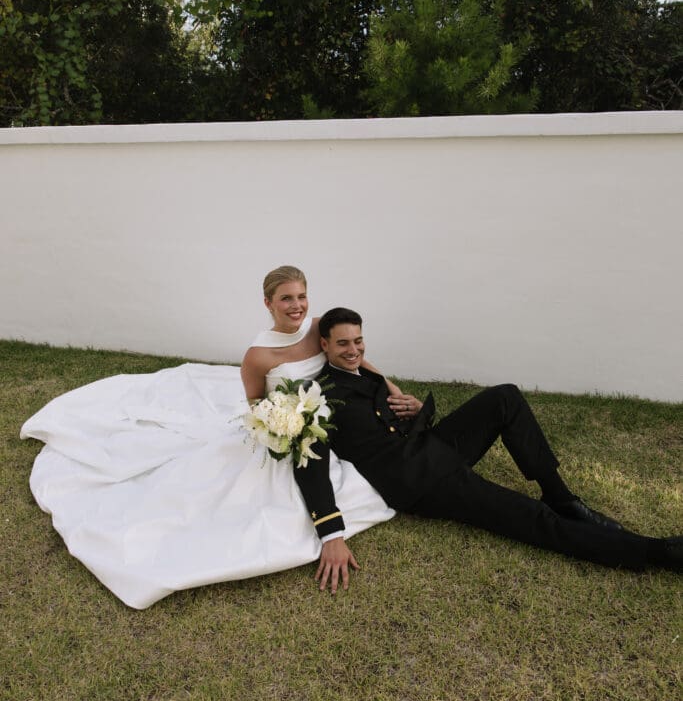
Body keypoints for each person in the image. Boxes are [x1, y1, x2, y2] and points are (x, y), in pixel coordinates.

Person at [19, 268, 394, 609]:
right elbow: (254, 404)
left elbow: (356, 360)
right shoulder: (258, 356)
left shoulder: (320, 329)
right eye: (285, 298)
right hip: (292, 425)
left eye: (301, 296)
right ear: (268, 303)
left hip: (338, 416)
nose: (295, 306)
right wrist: (281, 424)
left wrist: (391, 389)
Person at [293, 307, 683, 593]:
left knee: (505, 397)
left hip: (432, 446)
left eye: (358, 340)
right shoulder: (318, 397)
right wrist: (332, 535)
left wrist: (416, 411)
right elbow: (309, 464)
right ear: (324, 344)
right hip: (421, 481)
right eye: (343, 343)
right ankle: (658, 553)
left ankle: (561, 495)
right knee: (530, 517)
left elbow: (394, 418)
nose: (353, 349)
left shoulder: (368, 371)